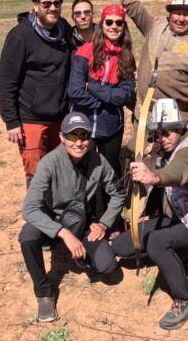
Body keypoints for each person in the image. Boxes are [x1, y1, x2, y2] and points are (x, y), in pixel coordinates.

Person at [19, 112, 125, 321]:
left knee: (107, 267)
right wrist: (64, 234)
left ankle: (81, 255)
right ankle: (44, 293)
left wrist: (104, 223)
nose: (79, 142)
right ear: (62, 137)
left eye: (84, 136)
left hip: (83, 221)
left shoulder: (98, 161)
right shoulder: (49, 163)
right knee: (28, 236)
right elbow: (29, 208)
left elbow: (118, 194)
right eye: (73, 136)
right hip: (53, 221)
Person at [116, 99, 188, 330]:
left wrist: (154, 176)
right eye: (157, 133)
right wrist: (151, 157)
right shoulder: (163, 149)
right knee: (123, 247)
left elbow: (180, 172)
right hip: (172, 216)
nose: (162, 138)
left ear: (180, 129)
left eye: (167, 133)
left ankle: (184, 298)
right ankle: (175, 255)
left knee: (156, 242)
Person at [0, 0, 74, 186]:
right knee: (37, 176)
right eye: (46, 3)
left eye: (57, 3)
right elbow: (6, 82)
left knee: (59, 170)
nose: (52, 8)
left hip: (59, 117)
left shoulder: (64, 30)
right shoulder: (20, 36)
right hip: (31, 120)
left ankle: (60, 214)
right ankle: (38, 218)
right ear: (35, 5)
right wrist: (11, 121)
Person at [118, 0, 188, 118]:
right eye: (177, 12)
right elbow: (131, 4)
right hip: (143, 114)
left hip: (175, 124)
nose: (181, 19)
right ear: (170, 14)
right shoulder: (155, 25)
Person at [67, 4, 136, 177]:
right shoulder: (84, 52)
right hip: (84, 123)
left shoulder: (126, 56)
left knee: (110, 171)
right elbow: (75, 92)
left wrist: (94, 89)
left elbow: (126, 94)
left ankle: (110, 204)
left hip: (111, 125)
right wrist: (109, 99)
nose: (114, 26)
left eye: (119, 23)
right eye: (109, 22)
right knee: (83, 171)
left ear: (123, 27)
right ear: (102, 24)